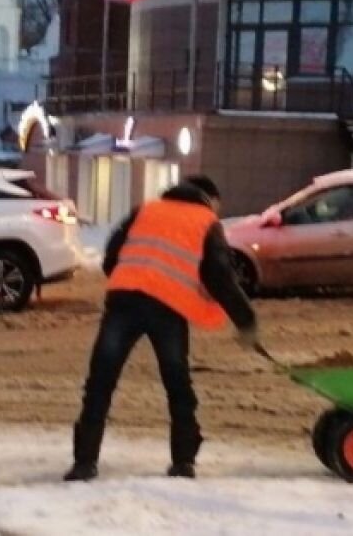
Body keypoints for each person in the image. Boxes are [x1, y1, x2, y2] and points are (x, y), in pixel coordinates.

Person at [64, 174, 257, 482]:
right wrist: (246, 322)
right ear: (209, 198)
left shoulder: (146, 209)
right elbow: (220, 275)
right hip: (167, 308)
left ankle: (84, 463)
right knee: (177, 383)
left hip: (124, 301)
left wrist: (129, 278)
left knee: (100, 382)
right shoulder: (206, 220)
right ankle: (183, 462)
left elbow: (112, 254)